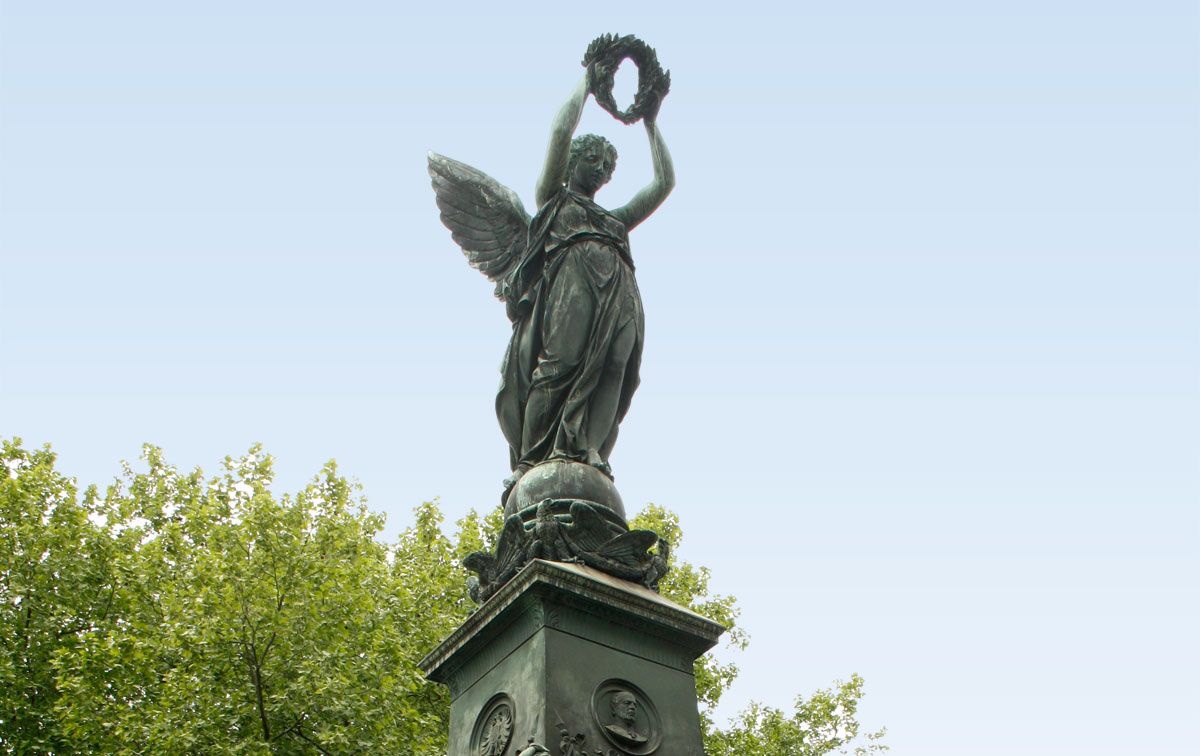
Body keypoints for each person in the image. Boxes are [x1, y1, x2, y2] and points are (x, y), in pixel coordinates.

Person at [497, 74, 675, 494]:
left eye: (607, 166)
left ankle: (592, 451)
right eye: (593, 159)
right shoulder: (554, 199)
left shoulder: (615, 221)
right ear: (573, 161)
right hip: (573, 285)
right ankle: (531, 461)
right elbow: (561, 130)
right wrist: (588, 84)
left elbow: (664, 183)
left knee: (615, 367)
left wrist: (651, 122)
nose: (601, 169)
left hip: (619, 292)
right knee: (558, 365)